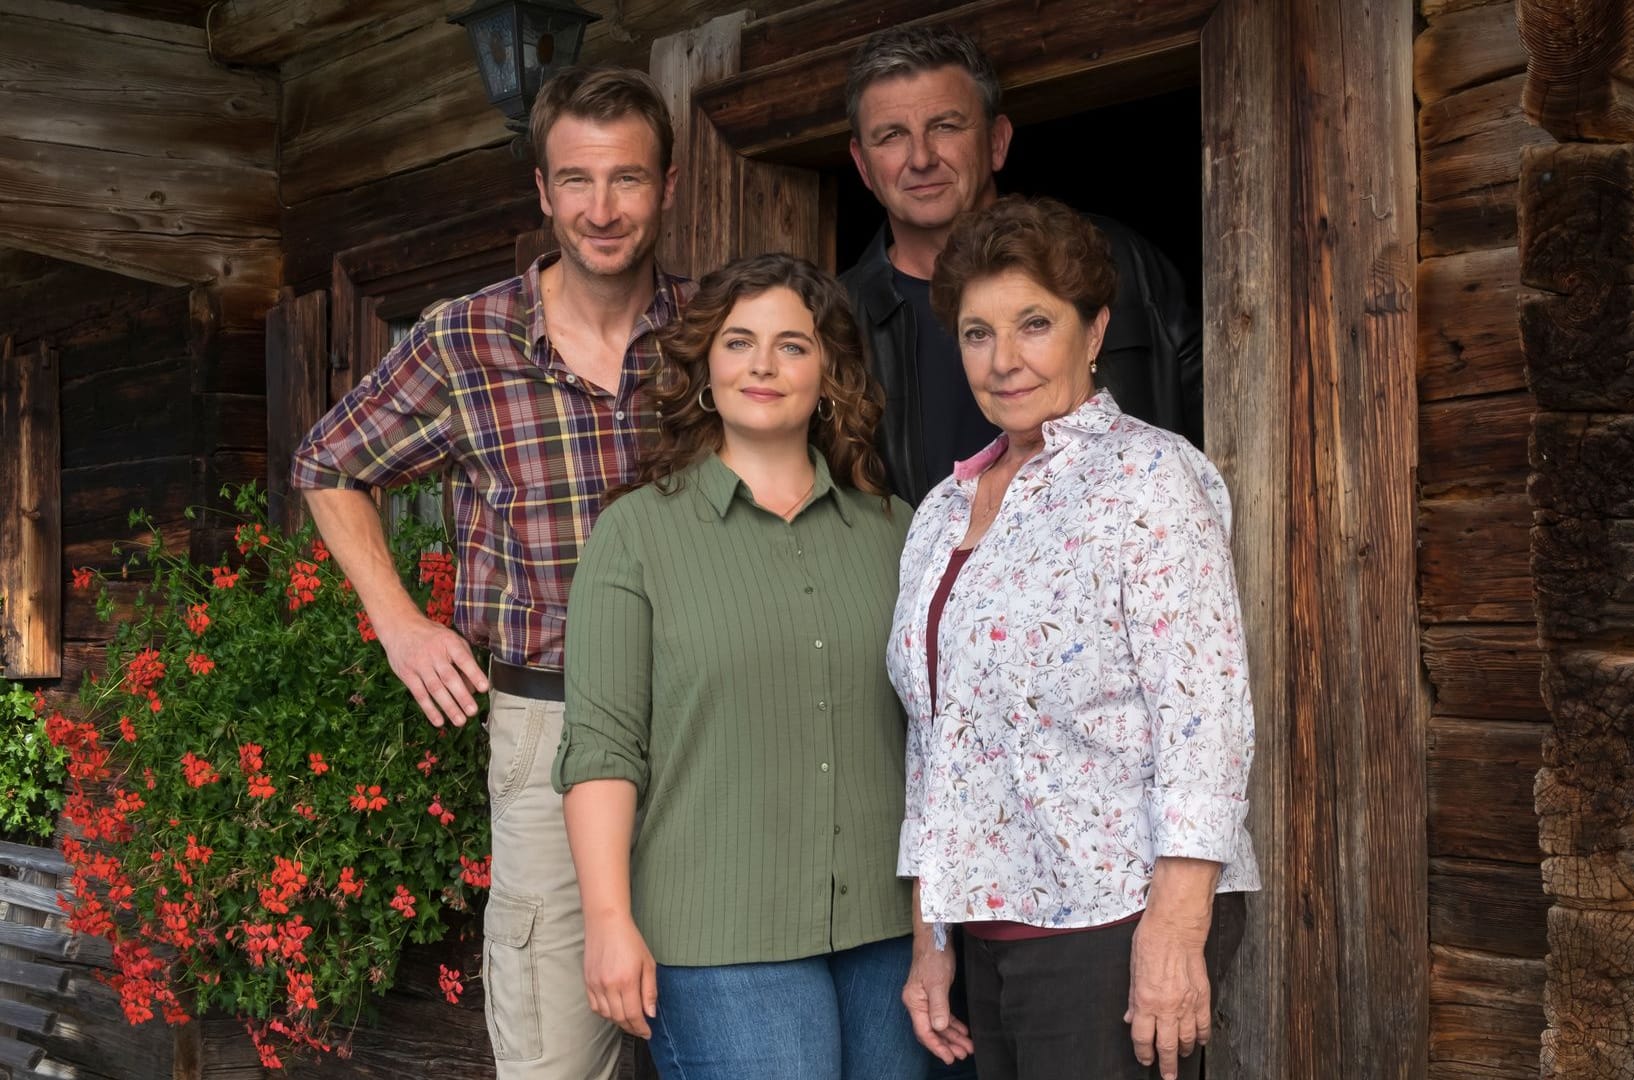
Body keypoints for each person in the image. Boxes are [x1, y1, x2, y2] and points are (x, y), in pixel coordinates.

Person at [290, 65, 688, 1080]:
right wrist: (400, 622)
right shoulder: (464, 339)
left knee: (727, 1034)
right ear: (543, 194)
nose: (603, 210)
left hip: (704, 726)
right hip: (549, 726)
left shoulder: (711, 334)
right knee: (558, 1054)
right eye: (579, 182)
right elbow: (327, 461)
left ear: (668, 188)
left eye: (628, 179)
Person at [889, 196, 1258, 1080]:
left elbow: (1205, 713)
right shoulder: (943, 510)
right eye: (977, 333)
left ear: (1094, 331)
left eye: (1033, 324)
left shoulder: (1150, 477)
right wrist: (932, 936)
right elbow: (935, 742)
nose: (1004, 359)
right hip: (992, 925)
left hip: (1114, 919)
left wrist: (1174, 930)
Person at [553, 253, 933, 1080]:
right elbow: (603, 749)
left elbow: (939, 735)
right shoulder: (636, 537)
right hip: (719, 941)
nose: (763, 365)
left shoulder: (898, 531)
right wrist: (610, 920)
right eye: (739, 343)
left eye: (792, 345)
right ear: (705, 370)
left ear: (829, 373)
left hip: (889, 932)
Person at [842, 24, 1204, 505]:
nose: (921, 158)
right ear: (862, 164)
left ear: (996, 141)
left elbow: (1226, 431)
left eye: (945, 126)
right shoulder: (833, 320)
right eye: (891, 136)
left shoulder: (1118, 258)